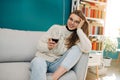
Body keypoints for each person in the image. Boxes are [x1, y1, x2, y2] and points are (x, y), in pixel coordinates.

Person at [30, 10, 92, 80]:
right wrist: (48, 47)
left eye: (76, 22)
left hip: (56, 65)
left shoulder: (77, 37)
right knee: (38, 62)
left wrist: (79, 30)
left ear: (80, 24)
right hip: (42, 60)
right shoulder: (56, 28)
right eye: (71, 19)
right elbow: (38, 45)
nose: (72, 23)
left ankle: (53, 78)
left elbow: (88, 48)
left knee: (77, 49)